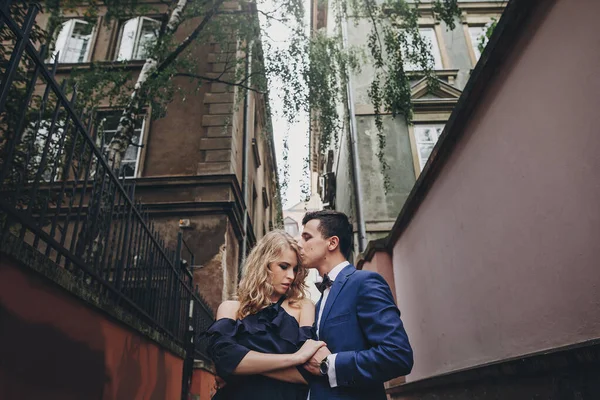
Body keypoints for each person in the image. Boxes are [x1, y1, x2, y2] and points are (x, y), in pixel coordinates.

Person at [298, 210, 413, 400]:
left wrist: (330, 364)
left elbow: (397, 356)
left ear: (332, 242)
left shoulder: (364, 282)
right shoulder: (319, 302)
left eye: (307, 237)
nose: (299, 245)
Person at [204, 230, 324, 400]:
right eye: (283, 266)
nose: (290, 276)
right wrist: (296, 357)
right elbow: (225, 359)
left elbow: (307, 374)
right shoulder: (231, 308)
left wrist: (242, 366)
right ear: (263, 264)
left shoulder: (303, 307)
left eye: (295, 269)